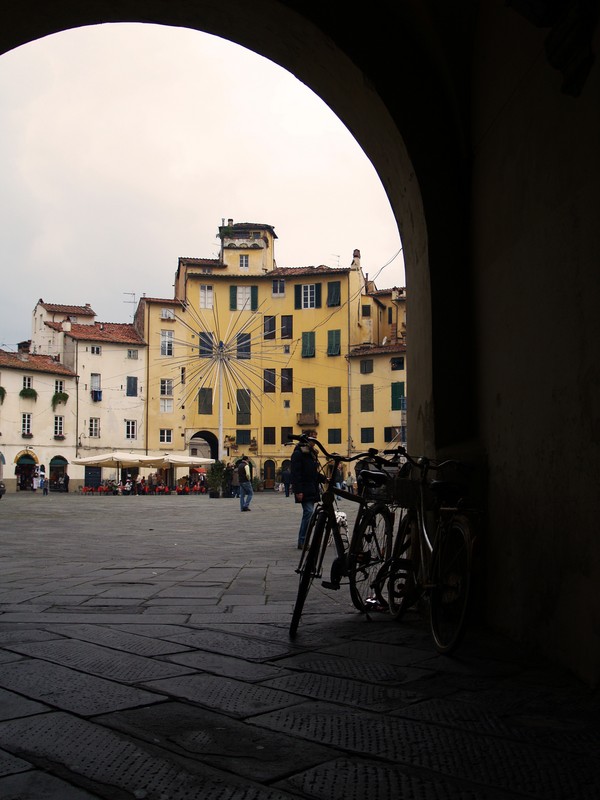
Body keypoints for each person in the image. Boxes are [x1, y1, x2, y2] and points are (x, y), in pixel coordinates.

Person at [290, 430, 322, 549]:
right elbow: (296, 474)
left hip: (312, 488)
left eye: (316, 437)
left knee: (309, 514)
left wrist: (324, 479)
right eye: (313, 438)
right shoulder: (298, 453)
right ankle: (302, 541)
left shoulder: (311, 454)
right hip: (304, 488)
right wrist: (298, 490)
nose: (315, 441)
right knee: (308, 513)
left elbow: (313, 472)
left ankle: (305, 540)